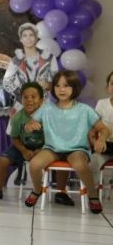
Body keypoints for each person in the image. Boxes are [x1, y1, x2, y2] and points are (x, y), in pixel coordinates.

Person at [23, 70, 109, 213]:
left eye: (66, 85)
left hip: (76, 149)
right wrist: (30, 126)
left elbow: (104, 129)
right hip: (52, 148)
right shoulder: (47, 108)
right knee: (34, 164)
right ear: (53, 89)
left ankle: (92, 195)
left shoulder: (84, 110)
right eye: (57, 86)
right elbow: (28, 125)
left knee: (80, 165)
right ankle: (37, 190)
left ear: (75, 88)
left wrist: (101, 138)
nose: (61, 89)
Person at [0, 82, 47, 199]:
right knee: (2, 160)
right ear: (21, 100)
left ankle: (60, 191)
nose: (29, 100)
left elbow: (52, 138)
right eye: (25, 97)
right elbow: (14, 138)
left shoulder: (47, 116)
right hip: (22, 146)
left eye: (33, 97)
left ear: (42, 100)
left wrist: (41, 150)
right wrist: (23, 151)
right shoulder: (17, 117)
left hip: (43, 148)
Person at [2, 22, 57, 103]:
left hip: (44, 104)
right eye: (25, 35)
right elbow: (6, 82)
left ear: (36, 38)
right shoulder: (16, 60)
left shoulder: (49, 58)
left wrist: (47, 84)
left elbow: (58, 83)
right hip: (23, 105)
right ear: (21, 39)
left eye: (31, 35)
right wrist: (21, 95)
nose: (28, 38)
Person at [91, 70, 113, 191]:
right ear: (108, 87)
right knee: (93, 162)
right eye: (112, 83)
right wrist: (96, 143)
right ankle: (92, 194)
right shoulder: (101, 104)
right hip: (105, 147)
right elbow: (92, 131)